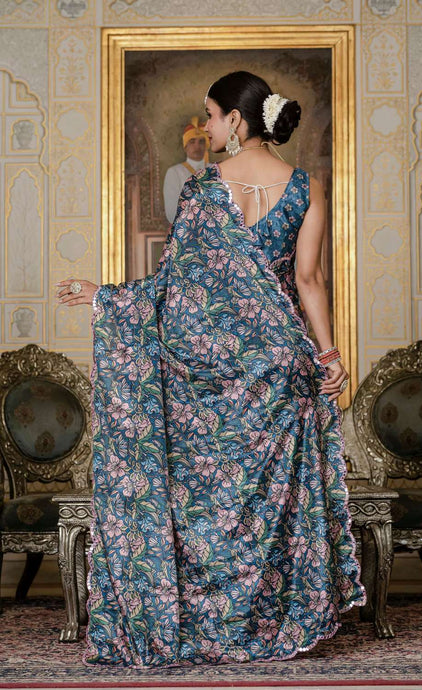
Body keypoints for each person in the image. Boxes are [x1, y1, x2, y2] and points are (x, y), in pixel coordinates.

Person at [57, 70, 365, 668]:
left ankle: (205, 622)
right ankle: (268, 623)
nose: (206, 126)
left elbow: (176, 289)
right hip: (280, 367)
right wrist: (328, 356)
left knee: (203, 496)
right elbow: (309, 280)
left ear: (237, 120)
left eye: (212, 114)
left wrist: (107, 298)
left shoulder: (203, 192)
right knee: (268, 505)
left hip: (212, 370)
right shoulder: (308, 186)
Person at [163, 116, 210, 223]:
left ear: (206, 146)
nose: (197, 146)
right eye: (192, 141)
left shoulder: (214, 169)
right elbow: (172, 213)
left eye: (201, 142)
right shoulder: (174, 172)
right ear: (185, 146)